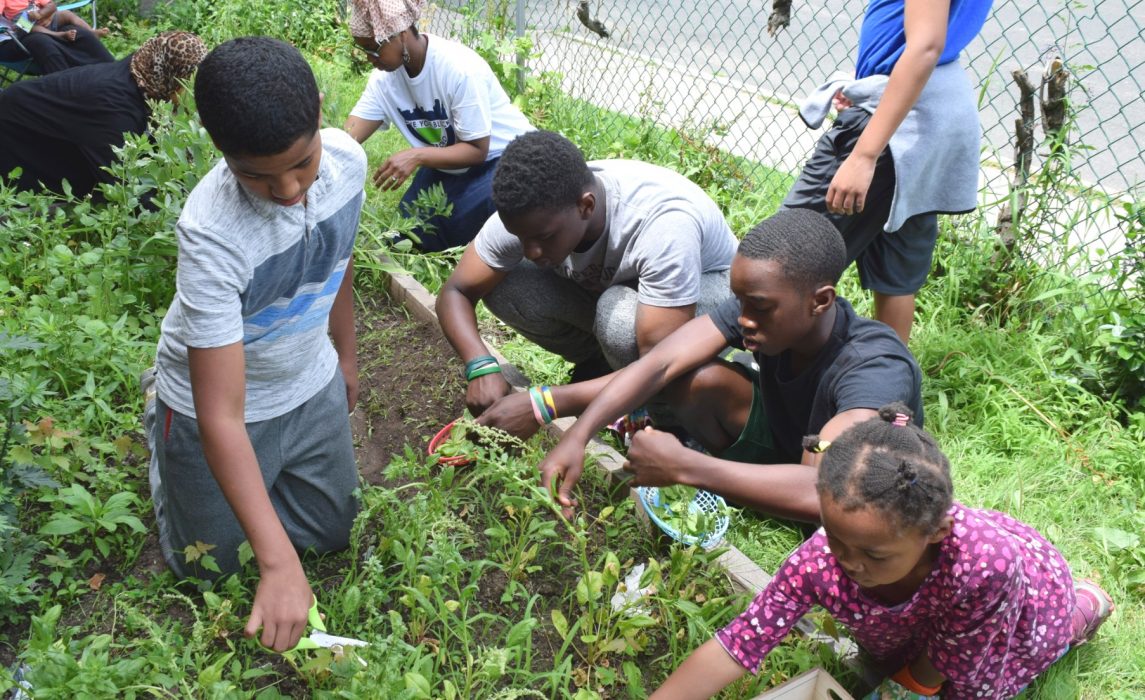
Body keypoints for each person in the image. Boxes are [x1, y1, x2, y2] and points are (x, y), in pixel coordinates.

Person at [143, 36, 367, 653]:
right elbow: (221, 414)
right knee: (209, 568)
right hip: (212, 404)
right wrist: (275, 563)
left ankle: (247, 486)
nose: (291, 189)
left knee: (333, 532)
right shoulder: (211, 233)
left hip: (307, 376)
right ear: (220, 150)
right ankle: (165, 445)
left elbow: (337, 259)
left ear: (320, 111)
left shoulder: (349, 162)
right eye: (257, 176)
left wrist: (343, 358)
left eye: (302, 162)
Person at [649, 404, 1114, 700]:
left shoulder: (984, 566)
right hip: (928, 613)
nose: (849, 564)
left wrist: (910, 686)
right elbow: (738, 643)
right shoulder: (819, 564)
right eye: (836, 539)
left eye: (874, 555)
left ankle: (1080, 611)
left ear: (935, 532)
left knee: (1000, 670)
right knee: (897, 656)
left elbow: (947, 671)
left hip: (1016, 606)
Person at [533, 208, 921, 520]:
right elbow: (661, 363)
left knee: (820, 470)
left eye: (760, 307)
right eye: (741, 301)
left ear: (820, 300)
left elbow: (824, 491)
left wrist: (687, 468)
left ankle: (726, 477)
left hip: (839, 490)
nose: (744, 318)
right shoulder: (763, 310)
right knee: (695, 378)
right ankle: (738, 479)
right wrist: (575, 431)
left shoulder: (874, 367)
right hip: (786, 441)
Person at [436, 129, 738, 421]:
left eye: (544, 238)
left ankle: (669, 423)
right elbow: (457, 291)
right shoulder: (533, 212)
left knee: (618, 320)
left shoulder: (663, 224)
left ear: (586, 206)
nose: (531, 251)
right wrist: (481, 365)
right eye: (521, 237)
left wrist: (545, 404)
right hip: (627, 298)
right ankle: (601, 369)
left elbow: (660, 360)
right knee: (506, 284)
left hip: (706, 295)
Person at [781, 0, 993, 344]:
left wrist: (864, 154)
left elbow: (924, 46)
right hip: (926, 116)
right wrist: (868, 79)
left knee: (783, 256)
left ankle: (769, 383)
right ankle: (889, 385)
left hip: (895, 127)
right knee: (894, 275)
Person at [343, 0, 533, 252]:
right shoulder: (383, 81)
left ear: (400, 35)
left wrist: (416, 155)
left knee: (486, 232)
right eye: (363, 49)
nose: (369, 58)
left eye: (374, 50)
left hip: (504, 160)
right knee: (404, 239)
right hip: (448, 165)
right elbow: (350, 135)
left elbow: (477, 150)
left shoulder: (458, 69)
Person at [0, 30, 206, 198]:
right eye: (187, 83)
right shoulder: (114, 106)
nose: (193, 94)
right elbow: (124, 184)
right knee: (87, 191)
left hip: (47, 124)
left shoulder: (140, 76)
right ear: (168, 75)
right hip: (17, 134)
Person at [0, 0, 113, 74]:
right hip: (15, 33)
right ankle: (67, 86)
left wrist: (43, 14)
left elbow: (51, 5)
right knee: (39, 39)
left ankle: (111, 72)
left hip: (41, 18)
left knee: (80, 32)